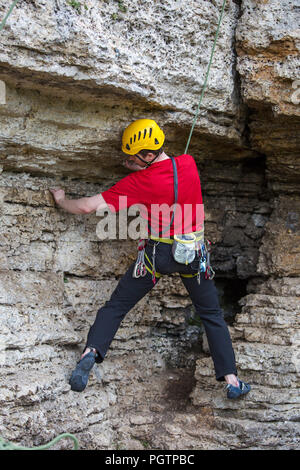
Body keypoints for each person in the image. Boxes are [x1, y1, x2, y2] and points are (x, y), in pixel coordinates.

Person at [50, 119, 251, 399]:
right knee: (212, 316)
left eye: (134, 156)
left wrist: (61, 201)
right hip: (192, 256)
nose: (130, 161)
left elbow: (86, 207)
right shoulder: (189, 164)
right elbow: (165, 172)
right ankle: (231, 381)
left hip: (156, 257)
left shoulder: (137, 182)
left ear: (145, 156)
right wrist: (140, 166)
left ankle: (91, 351)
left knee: (117, 306)